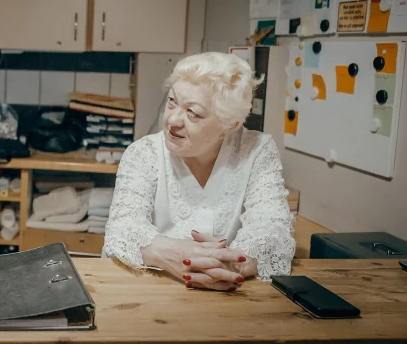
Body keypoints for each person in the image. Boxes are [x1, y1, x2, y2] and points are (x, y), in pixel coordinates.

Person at [103, 52, 295, 291]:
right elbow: (123, 228)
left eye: (192, 112)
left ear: (229, 126)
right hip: (151, 293)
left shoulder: (257, 151)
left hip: (233, 298)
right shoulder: (143, 153)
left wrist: (230, 265)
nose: (173, 120)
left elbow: (272, 230)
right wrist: (177, 255)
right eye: (172, 101)